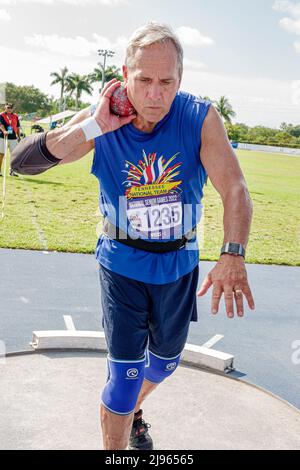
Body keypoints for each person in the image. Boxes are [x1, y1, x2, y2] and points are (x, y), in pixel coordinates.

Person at [11, 22, 255, 450]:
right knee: (123, 381)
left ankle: (127, 411)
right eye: (144, 80)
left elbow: (235, 188)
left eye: (167, 82)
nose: (155, 94)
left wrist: (232, 254)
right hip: (121, 265)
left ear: (180, 80)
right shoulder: (100, 118)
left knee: (162, 365)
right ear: (124, 74)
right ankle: (118, 429)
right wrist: (93, 126)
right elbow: (21, 163)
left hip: (178, 266)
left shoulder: (199, 117)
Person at [0, 102, 21, 177]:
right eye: (8, 107)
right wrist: (4, 131)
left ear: (12, 109)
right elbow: (1, 125)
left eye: (10, 108)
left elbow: (18, 127)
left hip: (13, 138)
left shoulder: (15, 116)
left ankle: (12, 171)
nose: (9, 109)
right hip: (3, 137)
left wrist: (18, 136)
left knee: (14, 155)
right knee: (1, 154)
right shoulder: (1, 115)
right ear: (5, 107)